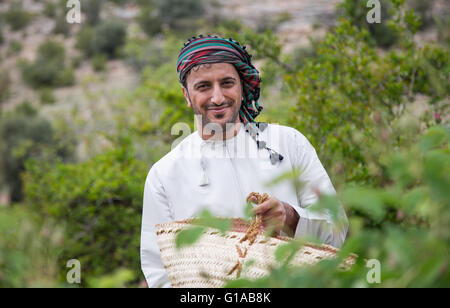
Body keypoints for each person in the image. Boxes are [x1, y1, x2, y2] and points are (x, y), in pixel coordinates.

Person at [140, 35, 348, 288]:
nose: (218, 97)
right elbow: (160, 273)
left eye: (227, 83)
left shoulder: (289, 143)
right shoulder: (164, 174)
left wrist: (291, 218)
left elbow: (337, 231)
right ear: (186, 94)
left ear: (241, 87)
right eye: (203, 86)